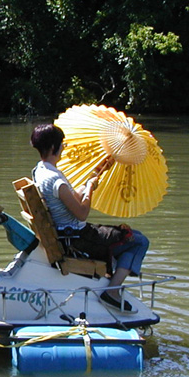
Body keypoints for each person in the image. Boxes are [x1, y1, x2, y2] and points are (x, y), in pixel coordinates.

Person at [30, 123, 149, 313]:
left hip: (66, 233)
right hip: (77, 238)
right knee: (139, 241)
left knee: (130, 235)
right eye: (62, 145)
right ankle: (112, 291)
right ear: (54, 147)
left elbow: (72, 199)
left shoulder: (40, 171)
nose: (63, 148)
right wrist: (89, 191)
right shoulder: (55, 179)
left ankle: (110, 278)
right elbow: (82, 212)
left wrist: (91, 181)